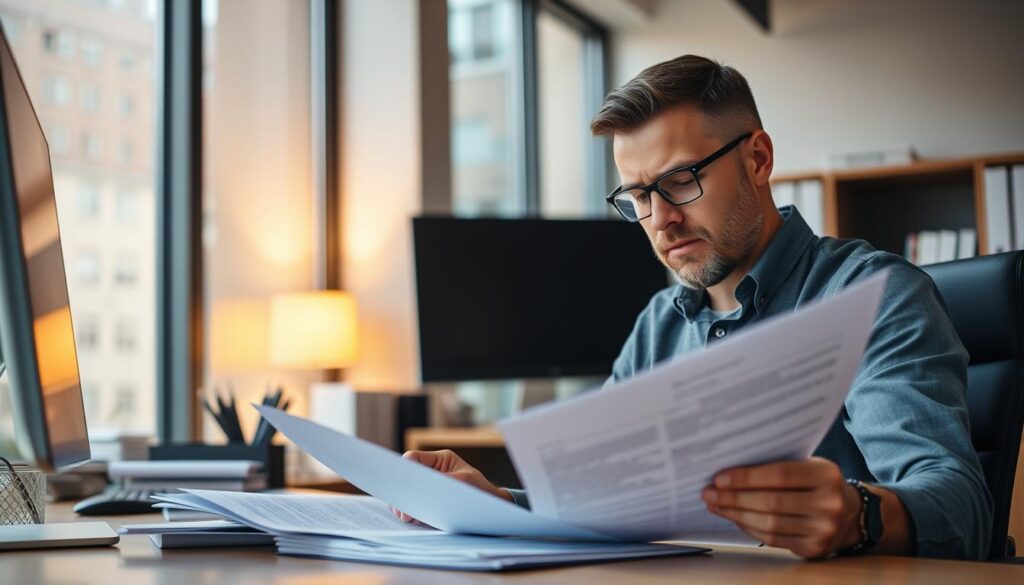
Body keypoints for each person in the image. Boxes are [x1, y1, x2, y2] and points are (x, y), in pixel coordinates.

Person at [398, 55, 991, 560]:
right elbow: (600, 504)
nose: (660, 218)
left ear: (757, 159)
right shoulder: (658, 324)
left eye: (681, 180)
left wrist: (859, 514)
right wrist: (498, 504)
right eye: (637, 196)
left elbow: (960, 504)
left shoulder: (874, 295)